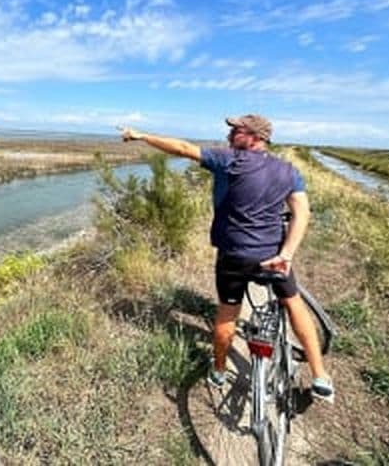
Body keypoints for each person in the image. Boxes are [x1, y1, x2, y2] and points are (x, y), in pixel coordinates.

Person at [120, 114, 334, 401]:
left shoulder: (229, 160)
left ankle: (219, 371)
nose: (230, 134)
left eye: (237, 130)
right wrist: (287, 254)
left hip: (233, 256)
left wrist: (140, 136)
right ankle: (320, 376)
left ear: (256, 137)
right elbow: (302, 213)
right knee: (293, 303)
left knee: (227, 313)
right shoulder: (288, 171)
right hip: (273, 255)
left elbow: (182, 148)